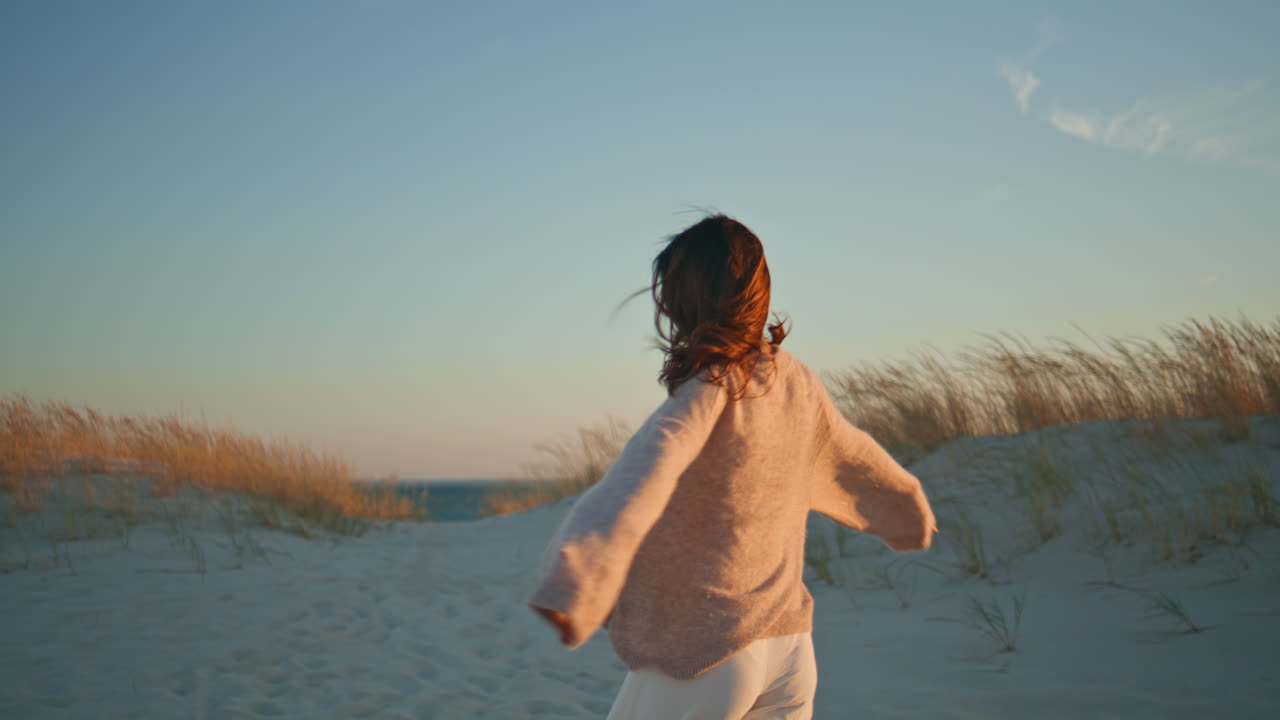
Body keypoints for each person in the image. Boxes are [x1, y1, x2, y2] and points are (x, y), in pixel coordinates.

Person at [528, 214, 937, 719]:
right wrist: (907, 509)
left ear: (683, 301)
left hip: (710, 653)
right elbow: (853, 455)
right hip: (790, 651)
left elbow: (643, 472)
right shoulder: (796, 381)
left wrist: (576, 577)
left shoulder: (709, 389)